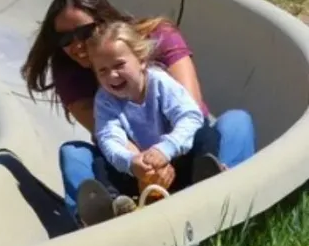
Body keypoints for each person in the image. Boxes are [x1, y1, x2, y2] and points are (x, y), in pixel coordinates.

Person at [21, 0, 256, 224]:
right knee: (74, 153)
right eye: (64, 38)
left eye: (84, 32)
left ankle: (223, 191)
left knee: (236, 122)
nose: (76, 45)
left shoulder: (158, 43)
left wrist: (165, 153)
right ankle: (103, 214)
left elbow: (192, 108)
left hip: (186, 147)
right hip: (135, 166)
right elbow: (109, 135)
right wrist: (143, 169)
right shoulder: (77, 78)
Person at [75, 21, 222, 222]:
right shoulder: (105, 101)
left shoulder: (160, 83)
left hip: (177, 158)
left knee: (204, 132)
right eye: (103, 71)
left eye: (119, 65)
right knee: (102, 160)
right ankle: (115, 206)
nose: (112, 75)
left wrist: (166, 149)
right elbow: (109, 137)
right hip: (139, 171)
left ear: (141, 60)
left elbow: (190, 115)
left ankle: (206, 178)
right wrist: (130, 162)